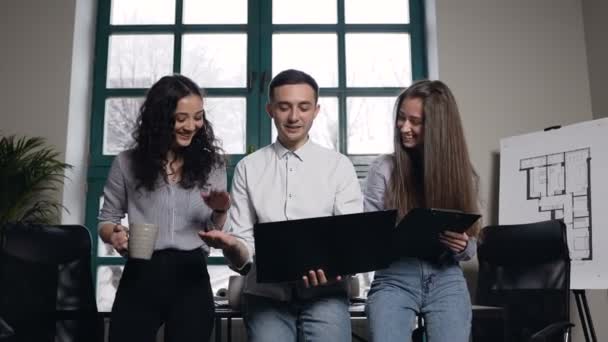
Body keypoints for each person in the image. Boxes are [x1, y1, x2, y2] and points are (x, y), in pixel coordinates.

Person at [199, 69, 363, 342]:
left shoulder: (339, 167)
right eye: (284, 107)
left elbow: (349, 243)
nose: (294, 117)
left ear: (316, 110)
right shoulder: (248, 169)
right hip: (266, 296)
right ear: (270, 110)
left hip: (326, 295)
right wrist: (232, 247)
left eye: (304, 107)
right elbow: (244, 250)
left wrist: (335, 268)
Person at [98, 74, 230, 342]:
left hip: (191, 274)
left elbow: (214, 233)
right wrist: (114, 235)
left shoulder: (213, 165)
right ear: (159, 118)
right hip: (141, 271)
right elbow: (106, 220)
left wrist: (219, 211)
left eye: (198, 117)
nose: (191, 126)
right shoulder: (126, 163)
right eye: (181, 118)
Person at [364, 80, 480, 342]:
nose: (404, 127)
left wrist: (462, 245)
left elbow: (471, 248)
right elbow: (367, 241)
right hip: (394, 278)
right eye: (401, 118)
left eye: (415, 121)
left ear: (437, 127)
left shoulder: (463, 175)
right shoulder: (383, 169)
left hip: (446, 277)